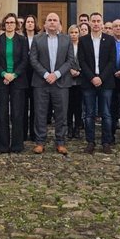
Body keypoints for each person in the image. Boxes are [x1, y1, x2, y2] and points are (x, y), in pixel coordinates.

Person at [29, 12, 75, 155]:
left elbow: (70, 60)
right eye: (49, 20)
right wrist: (45, 74)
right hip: (41, 82)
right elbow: (33, 60)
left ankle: (60, 142)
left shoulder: (67, 40)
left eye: (55, 20)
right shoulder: (37, 39)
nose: (52, 23)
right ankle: (40, 142)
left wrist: (56, 74)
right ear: (45, 24)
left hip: (61, 82)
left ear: (59, 24)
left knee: (61, 114)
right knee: (40, 113)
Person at [78, 12, 117, 154]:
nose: (95, 23)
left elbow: (112, 61)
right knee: (89, 114)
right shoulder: (83, 40)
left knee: (106, 114)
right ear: (89, 23)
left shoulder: (110, 40)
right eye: (93, 21)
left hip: (106, 82)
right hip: (89, 82)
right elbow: (81, 61)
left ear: (102, 23)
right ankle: (90, 142)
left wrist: (101, 77)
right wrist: (92, 77)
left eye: (98, 21)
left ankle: (106, 142)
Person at [0, 13, 29, 153]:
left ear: (16, 25)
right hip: (2, 81)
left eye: (12, 22)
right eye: (7, 22)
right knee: (1, 114)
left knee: (17, 113)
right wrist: (4, 74)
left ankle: (17, 145)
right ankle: (2, 145)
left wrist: (14, 75)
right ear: (4, 24)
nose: (9, 25)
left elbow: (25, 60)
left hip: (18, 81)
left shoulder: (22, 40)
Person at [22, 14, 39, 141]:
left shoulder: (39, 38)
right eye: (28, 22)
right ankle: (22, 133)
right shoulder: (21, 38)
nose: (30, 24)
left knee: (35, 106)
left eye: (32, 22)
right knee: (22, 106)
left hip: (36, 75)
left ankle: (34, 133)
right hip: (23, 75)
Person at [66, 24, 83, 141]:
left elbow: (87, 60)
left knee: (78, 106)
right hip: (68, 79)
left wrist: (80, 71)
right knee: (68, 106)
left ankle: (77, 127)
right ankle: (69, 127)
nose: (74, 35)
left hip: (80, 79)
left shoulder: (83, 46)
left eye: (76, 32)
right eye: (72, 32)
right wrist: (69, 70)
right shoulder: (66, 46)